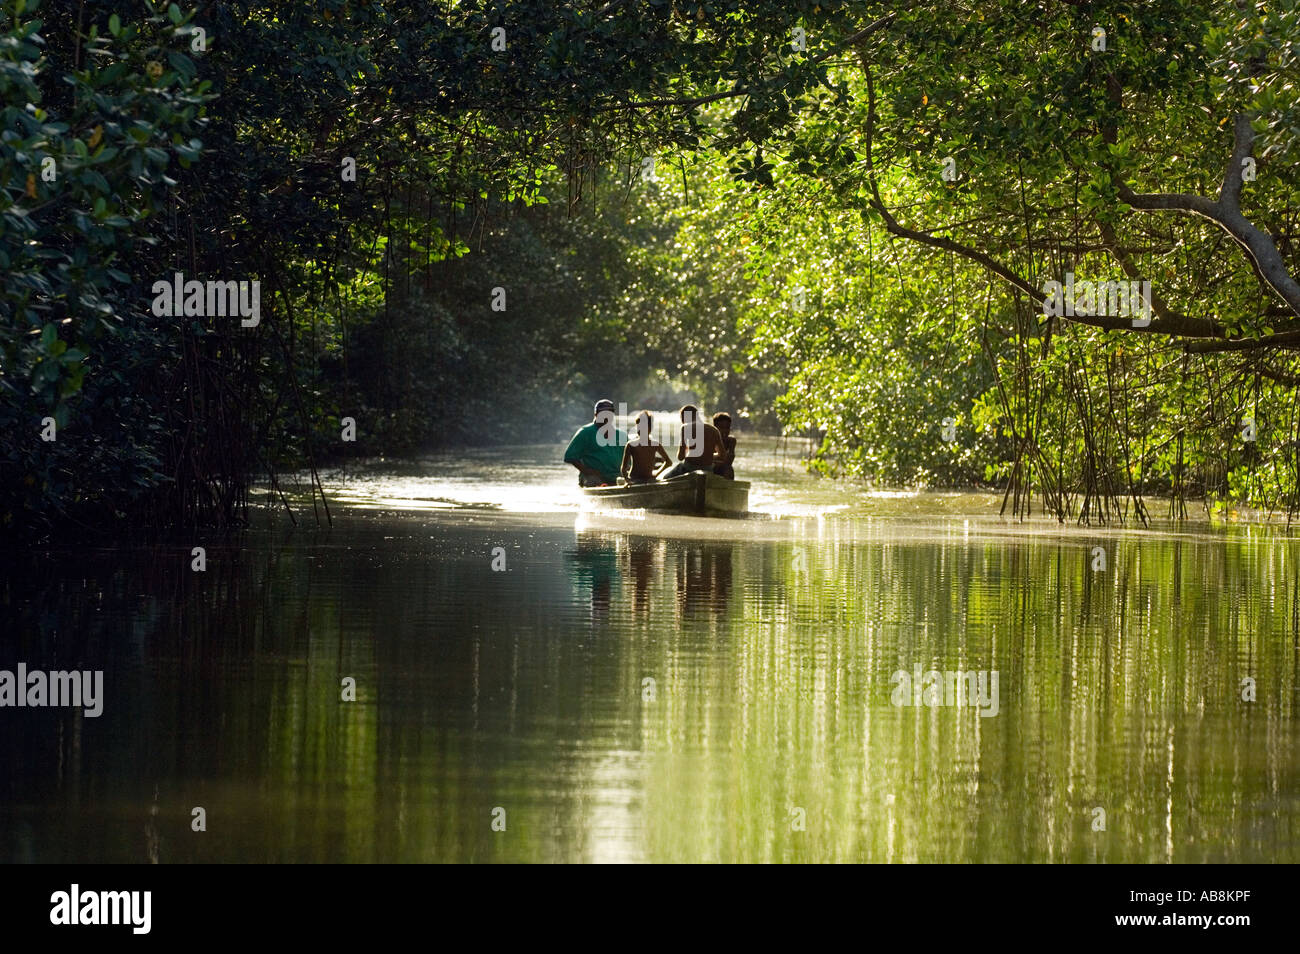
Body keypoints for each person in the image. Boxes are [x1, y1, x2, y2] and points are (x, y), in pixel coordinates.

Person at [563, 399, 628, 487]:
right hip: (593, 476)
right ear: (596, 415)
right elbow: (570, 456)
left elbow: (631, 457)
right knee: (595, 483)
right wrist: (586, 470)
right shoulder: (585, 432)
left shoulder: (621, 435)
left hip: (617, 476)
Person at [661, 404, 726, 480]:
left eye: (682, 419)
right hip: (708, 469)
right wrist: (708, 455)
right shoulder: (714, 430)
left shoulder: (685, 428)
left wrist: (689, 451)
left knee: (665, 478)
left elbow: (680, 457)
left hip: (689, 468)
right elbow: (723, 456)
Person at [621, 410, 672, 483]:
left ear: (650, 428)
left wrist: (656, 474)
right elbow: (623, 468)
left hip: (650, 479)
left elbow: (668, 462)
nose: (640, 429)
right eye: (638, 426)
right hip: (634, 479)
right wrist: (627, 480)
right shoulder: (630, 445)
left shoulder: (655, 444)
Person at [712, 412, 736, 480]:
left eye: (727, 427)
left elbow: (729, 461)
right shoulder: (710, 439)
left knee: (729, 469)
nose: (725, 431)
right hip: (710, 468)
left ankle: (727, 488)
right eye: (721, 427)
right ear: (715, 428)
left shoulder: (731, 441)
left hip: (723, 469)